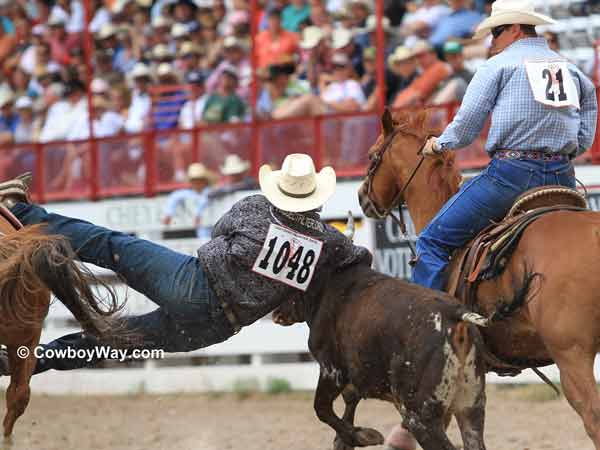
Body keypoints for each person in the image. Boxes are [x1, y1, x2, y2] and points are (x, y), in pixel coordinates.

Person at [0, 153, 371, 375]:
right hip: (218, 328)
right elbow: (360, 258)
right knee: (110, 342)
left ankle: (20, 210)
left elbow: (220, 231)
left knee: (111, 244)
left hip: (193, 285)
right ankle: (24, 362)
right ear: (315, 199)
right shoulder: (327, 244)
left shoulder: (258, 208)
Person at [413, 0, 598, 291]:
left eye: (496, 32)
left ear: (514, 29)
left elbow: (466, 126)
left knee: (431, 241)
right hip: (563, 177)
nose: (492, 40)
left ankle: (433, 325)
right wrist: (576, 147)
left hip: (511, 176)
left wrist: (438, 145)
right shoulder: (568, 67)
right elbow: (590, 104)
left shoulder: (498, 65)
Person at [162, 162, 216, 240]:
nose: (196, 182)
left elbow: (205, 199)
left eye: (199, 179)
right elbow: (175, 196)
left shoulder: (210, 192)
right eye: (194, 180)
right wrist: (169, 213)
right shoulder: (189, 193)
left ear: (205, 180)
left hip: (211, 226)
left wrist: (198, 214)